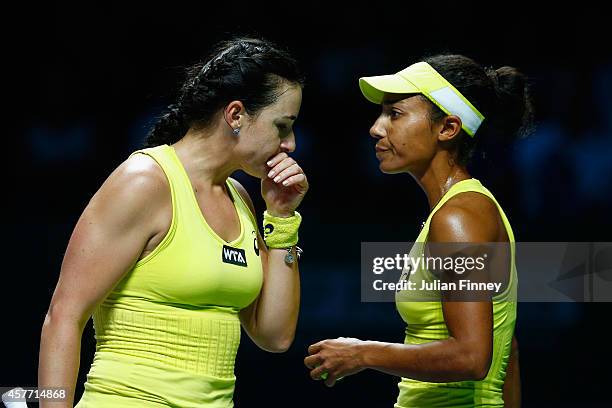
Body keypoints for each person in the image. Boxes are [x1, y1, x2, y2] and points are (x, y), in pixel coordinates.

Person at [38, 37, 308, 407]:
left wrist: (282, 219)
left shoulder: (242, 199)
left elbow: (275, 335)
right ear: (235, 115)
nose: (290, 144)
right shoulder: (144, 182)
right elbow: (63, 317)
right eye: (282, 126)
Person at [304, 54, 533, 407]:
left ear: (448, 129)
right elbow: (509, 350)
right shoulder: (458, 211)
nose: (376, 128)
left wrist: (363, 354)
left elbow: (472, 356)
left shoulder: (458, 218)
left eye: (394, 114)